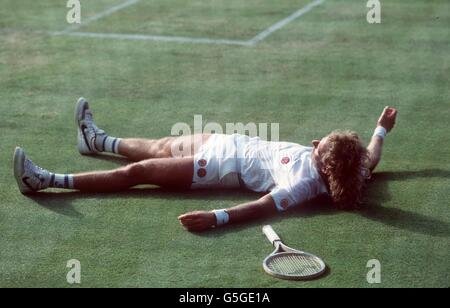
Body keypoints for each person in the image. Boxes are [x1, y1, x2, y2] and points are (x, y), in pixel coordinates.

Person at [13, 98, 397, 232]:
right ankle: (96, 140)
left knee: (137, 174)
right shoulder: (355, 168)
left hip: (213, 168)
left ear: (324, 163)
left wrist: (218, 217)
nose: (315, 141)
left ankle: (44, 180)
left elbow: (262, 207)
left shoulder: (301, 183)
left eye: (319, 145)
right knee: (160, 145)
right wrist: (381, 129)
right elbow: (372, 157)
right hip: (226, 141)